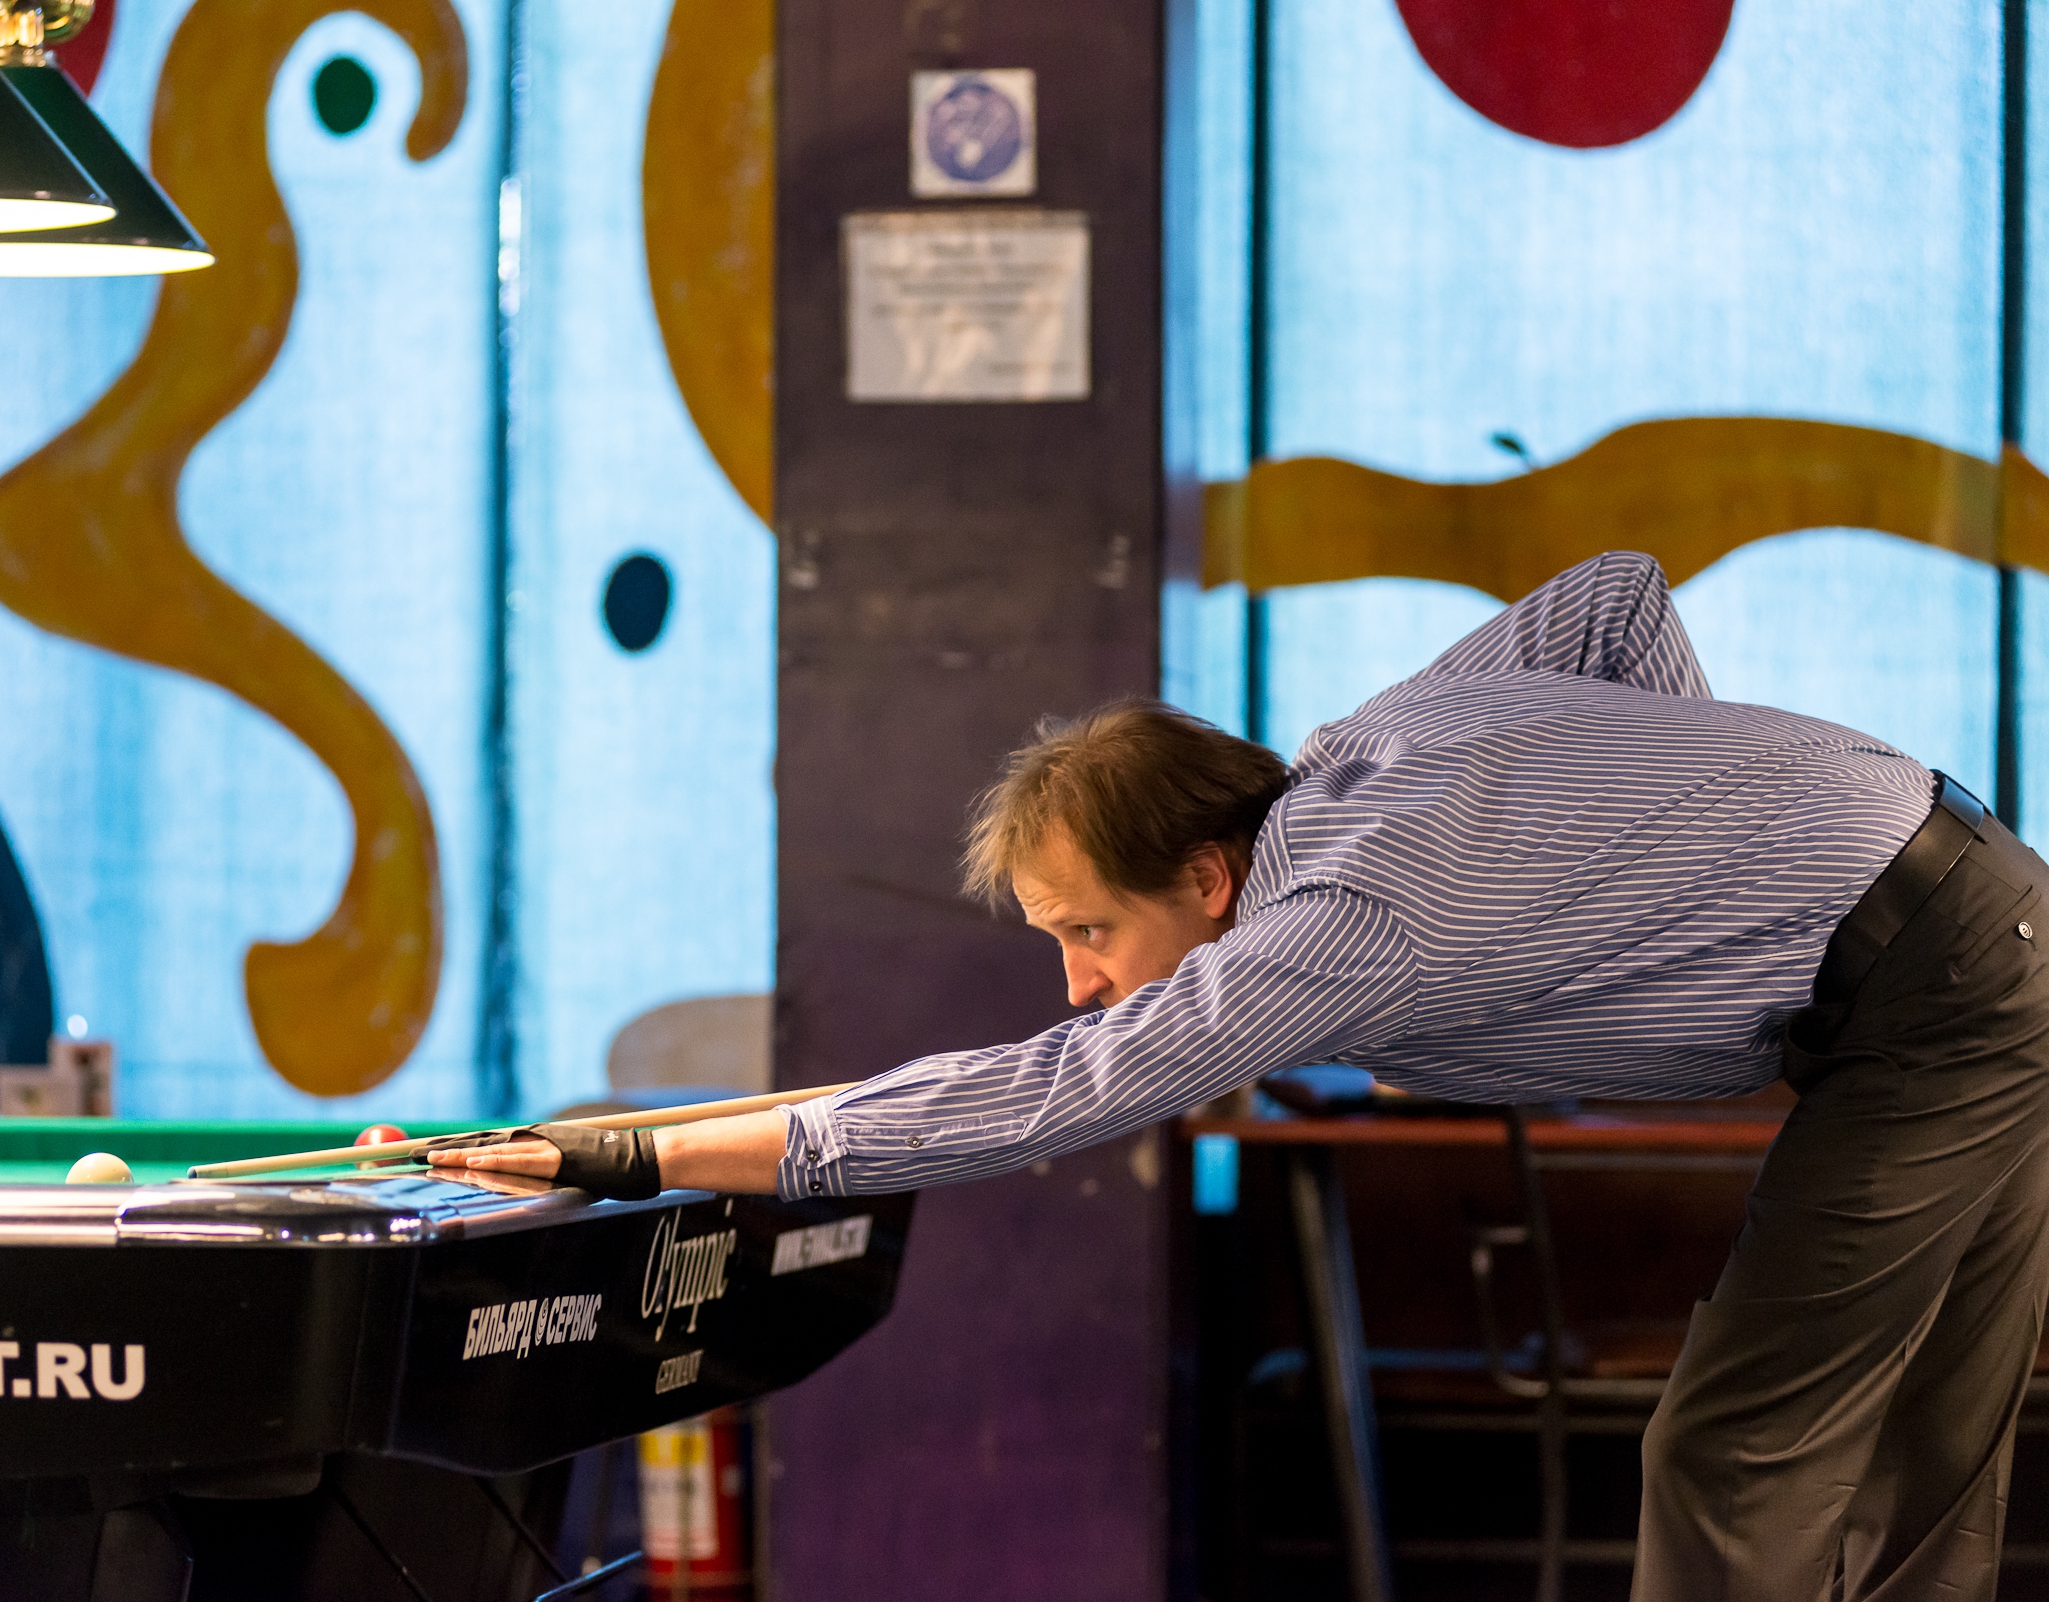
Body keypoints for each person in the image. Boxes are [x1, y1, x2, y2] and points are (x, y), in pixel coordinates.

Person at [433, 550, 2049, 1600]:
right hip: (1981, 906)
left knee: (1731, 1451)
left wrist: (628, 1151)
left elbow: (1033, 1094)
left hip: (1944, 985)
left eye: (1090, 930)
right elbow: (1612, 605)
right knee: (1925, 1439)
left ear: (1209, 876)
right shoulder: (1373, 739)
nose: (1080, 981)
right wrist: (1648, 880)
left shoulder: (1328, 925)